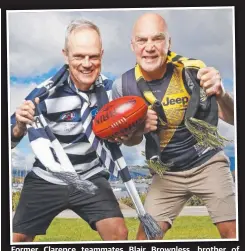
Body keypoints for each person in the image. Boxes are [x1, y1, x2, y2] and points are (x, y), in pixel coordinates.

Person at [112, 13, 235, 239]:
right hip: (165, 173)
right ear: (133, 45)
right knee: (144, 240)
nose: (149, 47)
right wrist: (140, 128)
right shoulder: (122, 86)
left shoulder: (193, 70)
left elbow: (233, 118)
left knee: (234, 234)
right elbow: (130, 141)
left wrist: (222, 93)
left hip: (207, 163)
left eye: (157, 39)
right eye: (142, 40)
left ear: (169, 42)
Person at [11, 19, 128, 242]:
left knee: (118, 234)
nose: (87, 63)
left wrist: (127, 133)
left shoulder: (112, 92)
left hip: (90, 175)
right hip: (48, 176)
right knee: (14, 240)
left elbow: (129, 136)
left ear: (101, 55)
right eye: (79, 56)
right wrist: (19, 126)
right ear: (66, 55)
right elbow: (7, 140)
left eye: (93, 56)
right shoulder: (41, 95)